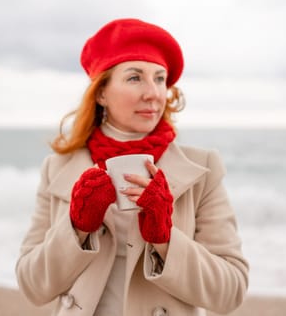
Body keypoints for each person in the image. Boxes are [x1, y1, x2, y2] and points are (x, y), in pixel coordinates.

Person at [15, 18, 249, 316]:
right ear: (101, 93)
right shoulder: (57, 168)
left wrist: (165, 239)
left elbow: (231, 292)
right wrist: (77, 227)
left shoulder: (203, 168)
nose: (153, 93)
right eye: (135, 78)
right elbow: (32, 286)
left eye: (160, 78)